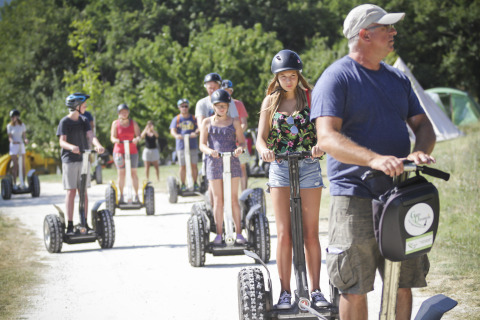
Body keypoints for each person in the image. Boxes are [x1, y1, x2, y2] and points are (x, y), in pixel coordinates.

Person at [310, 4, 436, 320]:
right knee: (353, 283)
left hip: (400, 194)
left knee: (403, 281)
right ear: (365, 34)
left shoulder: (398, 79)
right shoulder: (336, 78)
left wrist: (419, 150)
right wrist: (374, 159)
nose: (394, 32)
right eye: (387, 28)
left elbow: (423, 125)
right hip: (354, 196)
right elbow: (326, 138)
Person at [256, 49, 329, 309]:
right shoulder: (270, 102)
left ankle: (317, 290)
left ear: (299, 76)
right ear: (276, 78)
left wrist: (320, 144)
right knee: (284, 233)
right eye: (283, 76)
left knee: (311, 233)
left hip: (308, 165)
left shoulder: (311, 98)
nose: (288, 80)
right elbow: (260, 138)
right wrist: (264, 150)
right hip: (279, 166)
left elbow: (324, 129)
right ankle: (285, 292)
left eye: (292, 75)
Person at [199, 89, 246, 245]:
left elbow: (243, 142)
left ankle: (238, 233)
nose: (221, 108)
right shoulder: (207, 122)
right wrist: (210, 151)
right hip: (214, 163)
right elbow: (202, 144)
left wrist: (240, 149)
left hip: (232, 161)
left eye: (224, 105)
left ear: (228, 106)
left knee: (233, 198)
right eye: (218, 106)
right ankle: (219, 234)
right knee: (218, 200)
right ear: (213, 106)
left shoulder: (235, 122)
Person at [57, 93, 105, 234]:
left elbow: (91, 136)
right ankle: (70, 225)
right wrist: (72, 147)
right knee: (71, 191)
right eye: (83, 104)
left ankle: (84, 223)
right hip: (70, 160)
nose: (86, 106)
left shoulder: (84, 120)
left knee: (83, 192)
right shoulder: (65, 122)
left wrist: (97, 145)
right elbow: (62, 141)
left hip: (83, 159)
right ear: (76, 106)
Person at [110, 103, 141, 203]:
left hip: (132, 150)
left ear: (128, 113)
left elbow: (139, 135)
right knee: (121, 173)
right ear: (119, 113)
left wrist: (136, 139)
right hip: (119, 151)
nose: (124, 114)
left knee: (133, 173)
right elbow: (112, 137)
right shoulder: (115, 123)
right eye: (122, 112)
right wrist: (115, 140)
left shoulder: (133, 123)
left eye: (125, 112)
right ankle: (122, 196)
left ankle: (136, 195)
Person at [222, 79, 250, 191]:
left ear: (231, 92)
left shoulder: (238, 104)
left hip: (239, 142)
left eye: (228, 91)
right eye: (224, 91)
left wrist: (236, 135)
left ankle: (244, 194)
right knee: (225, 169)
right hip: (224, 143)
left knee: (242, 167)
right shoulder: (218, 106)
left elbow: (244, 123)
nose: (226, 93)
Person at [169, 99, 200, 191]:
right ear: (179, 108)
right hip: (181, 146)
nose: (184, 108)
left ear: (188, 107)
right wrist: (176, 135)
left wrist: (196, 132)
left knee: (194, 165)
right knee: (182, 166)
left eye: (186, 106)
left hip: (192, 145)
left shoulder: (194, 118)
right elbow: (172, 130)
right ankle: (183, 184)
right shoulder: (177, 119)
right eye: (182, 106)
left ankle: (195, 183)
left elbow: (199, 127)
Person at [7, 109, 28, 186]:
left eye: (13, 116)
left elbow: (24, 136)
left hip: (21, 145)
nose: (12, 118)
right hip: (14, 146)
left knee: (23, 165)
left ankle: (23, 182)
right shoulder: (9, 126)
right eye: (11, 117)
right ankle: (15, 183)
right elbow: (10, 137)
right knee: (15, 166)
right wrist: (12, 141)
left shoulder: (22, 125)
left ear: (17, 117)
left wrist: (25, 140)